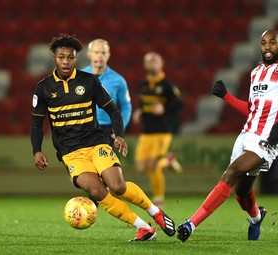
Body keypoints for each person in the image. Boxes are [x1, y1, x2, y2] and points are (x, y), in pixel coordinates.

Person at [30, 34, 176, 241]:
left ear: (76, 59)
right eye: (61, 57)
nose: (65, 61)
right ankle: (144, 227)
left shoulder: (89, 81)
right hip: (70, 153)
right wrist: (36, 150)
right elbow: (37, 124)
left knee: (117, 187)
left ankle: (156, 212)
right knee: (98, 191)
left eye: (70, 57)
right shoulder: (43, 88)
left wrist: (120, 135)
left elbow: (113, 110)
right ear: (54, 58)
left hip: (95, 142)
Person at [177, 29, 278, 242]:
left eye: (272, 42)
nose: (267, 46)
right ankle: (256, 217)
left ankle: (191, 224)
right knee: (241, 194)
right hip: (246, 134)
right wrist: (226, 97)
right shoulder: (256, 72)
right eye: (263, 43)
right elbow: (253, 108)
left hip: (268, 137)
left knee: (231, 173)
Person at [132, 51, 183, 208]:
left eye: (155, 61)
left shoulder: (167, 85)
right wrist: (139, 111)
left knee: (154, 166)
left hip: (162, 130)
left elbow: (179, 104)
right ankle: (168, 161)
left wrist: (165, 108)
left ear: (161, 64)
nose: (152, 64)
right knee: (141, 167)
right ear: (145, 65)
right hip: (146, 131)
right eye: (149, 61)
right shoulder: (144, 83)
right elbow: (143, 102)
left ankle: (159, 198)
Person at [82, 38, 132, 148]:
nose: (100, 55)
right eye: (96, 52)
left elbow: (126, 106)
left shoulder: (118, 80)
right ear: (89, 54)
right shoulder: (79, 77)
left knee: (106, 165)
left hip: (107, 131)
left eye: (103, 52)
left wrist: (119, 129)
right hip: (84, 128)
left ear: (108, 55)